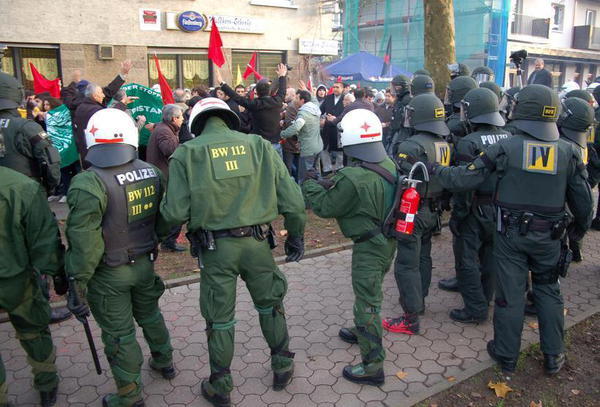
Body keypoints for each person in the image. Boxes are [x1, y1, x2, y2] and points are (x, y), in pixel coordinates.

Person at [432, 84, 592, 375]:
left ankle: (506, 356)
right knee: (549, 292)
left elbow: (463, 179)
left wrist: (435, 169)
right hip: (551, 238)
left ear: (524, 110)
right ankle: (554, 356)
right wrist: (577, 233)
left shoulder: (504, 147)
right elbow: (583, 204)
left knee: (510, 294)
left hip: (510, 238)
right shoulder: (569, 152)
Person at [157, 98, 306, 407]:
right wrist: (296, 238)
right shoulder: (258, 146)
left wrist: (156, 238)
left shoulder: (187, 153)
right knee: (270, 305)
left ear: (196, 124)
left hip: (215, 250)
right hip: (257, 245)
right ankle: (282, 365)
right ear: (229, 118)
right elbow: (293, 200)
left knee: (219, 318)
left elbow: (173, 212)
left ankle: (221, 385)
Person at [65, 108, 175, 407]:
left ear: (92, 138)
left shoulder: (89, 182)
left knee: (119, 333)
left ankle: (129, 395)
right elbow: (165, 218)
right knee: (150, 314)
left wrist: (77, 281)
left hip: (108, 272)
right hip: (144, 262)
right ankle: (164, 361)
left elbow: (84, 242)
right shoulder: (151, 171)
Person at [303, 109, 397, 385]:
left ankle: (373, 366)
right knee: (372, 292)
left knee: (367, 304)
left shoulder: (354, 177)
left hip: (369, 247)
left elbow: (324, 206)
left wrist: (310, 183)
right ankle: (362, 331)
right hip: (387, 241)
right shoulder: (388, 164)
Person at [383, 93, 452, 335]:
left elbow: (397, 179)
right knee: (424, 257)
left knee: (406, 264)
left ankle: (410, 316)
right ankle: (419, 299)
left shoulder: (411, 145)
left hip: (413, 210)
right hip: (433, 210)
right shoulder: (444, 142)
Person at [0, 167, 65, 407]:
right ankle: (47, 382)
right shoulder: (22, 186)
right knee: (33, 331)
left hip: (17, 275)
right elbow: (44, 239)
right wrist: (58, 272)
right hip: (18, 280)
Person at [449, 88, 511, 324]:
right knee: (491, 258)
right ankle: (485, 299)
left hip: (475, 208)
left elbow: (465, 186)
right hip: (501, 208)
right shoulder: (509, 136)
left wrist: (459, 215)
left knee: (466, 260)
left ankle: (475, 309)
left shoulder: (468, 142)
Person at [438, 75, 478, 293]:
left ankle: (464, 280)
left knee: (463, 239)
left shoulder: (455, 123)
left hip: (462, 187)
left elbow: (447, 160)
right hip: (484, 192)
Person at [63, 61, 133, 163]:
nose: (104, 96)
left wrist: (122, 74)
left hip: (92, 153)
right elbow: (108, 116)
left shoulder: (86, 103)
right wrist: (122, 103)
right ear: (94, 96)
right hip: (95, 156)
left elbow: (109, 91)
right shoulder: (90, 109)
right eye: (101, 93)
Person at [217, 64, 288, 158]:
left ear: (256, 92)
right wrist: (282, 76)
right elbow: (282, 90)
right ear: (270, 91)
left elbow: (236, 97)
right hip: (275, 144)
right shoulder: (277, 101)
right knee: (278, 171)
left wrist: (222, 83)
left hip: (259, 145)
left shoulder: (253, 104)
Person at [557, 97, 595, 263]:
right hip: (564, 215)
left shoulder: (563, 147)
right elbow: (585, 203)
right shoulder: (578, 146)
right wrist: (579, 230)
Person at [147, 104, 186, 252]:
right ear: (174, 118)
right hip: (165, 176)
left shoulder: (164, 128)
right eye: (181, 117)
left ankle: (166, 240)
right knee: (176, 208)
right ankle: (168, 241)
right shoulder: (165, 131)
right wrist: (182, 144)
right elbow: (169, 150)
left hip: (163, 174)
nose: (183, 120)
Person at [280, 90, 324, 181]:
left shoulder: (303, 113)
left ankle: (305, 193)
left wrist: (282, 134)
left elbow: (296, 127)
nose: (295, 100)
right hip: (318, 145)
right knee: (314, 173)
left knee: (304, 176)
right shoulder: (315, 107)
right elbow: (314, 100)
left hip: (308, 148)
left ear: (302, 100)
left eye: (297, 98)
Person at [320, 81, 345, 172]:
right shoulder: (328, 98)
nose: (335, 89)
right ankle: (327, 169)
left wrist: (336, 119)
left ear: (342, 89)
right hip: (327, 128)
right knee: (324, 148)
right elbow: (320, 111)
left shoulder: (345, 99)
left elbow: (347, 113)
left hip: (339, 129)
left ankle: (339, 168)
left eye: (337, 87)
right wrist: (320, 119)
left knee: (339, 151)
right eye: (334, 87)